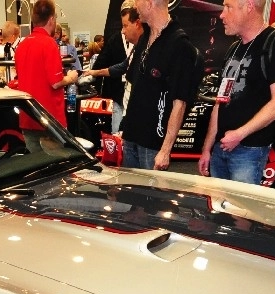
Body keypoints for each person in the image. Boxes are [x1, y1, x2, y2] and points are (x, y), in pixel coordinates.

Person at [196, 0, 275, 183]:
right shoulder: (233, 49)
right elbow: (220, 102)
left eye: (229, 7)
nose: (222, 14)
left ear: (249, 6)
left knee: (241, 203)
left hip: (249, 151)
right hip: (221, 147)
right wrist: (207, 148)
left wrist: (239, 134)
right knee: (218, 201)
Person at [120, 0, 201, 170]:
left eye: (138, 1)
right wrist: (124, 129)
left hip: (153, 145)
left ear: (149, 3)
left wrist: (165, 150)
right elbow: (134, 87)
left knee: (151, 189)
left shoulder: (180, 45)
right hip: (130, 138)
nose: (135, 6)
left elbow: (180, 103)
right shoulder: (144, 38)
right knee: (128, 187)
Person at [14, 0, 79, 150]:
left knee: (35, 162)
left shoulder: (21, 46)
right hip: (50, 120)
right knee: (56, 162)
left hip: (28, 117)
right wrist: (71, 78)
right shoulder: (49, 44)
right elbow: (56, 82)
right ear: (51, 19)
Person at [86, 1, 144, 134]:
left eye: (126, 25)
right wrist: (94, 73)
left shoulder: (147, 45)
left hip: (138, 104)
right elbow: (120, 67)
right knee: (118, 133)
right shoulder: (117, 40)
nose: (124, 30)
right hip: (119, 95)